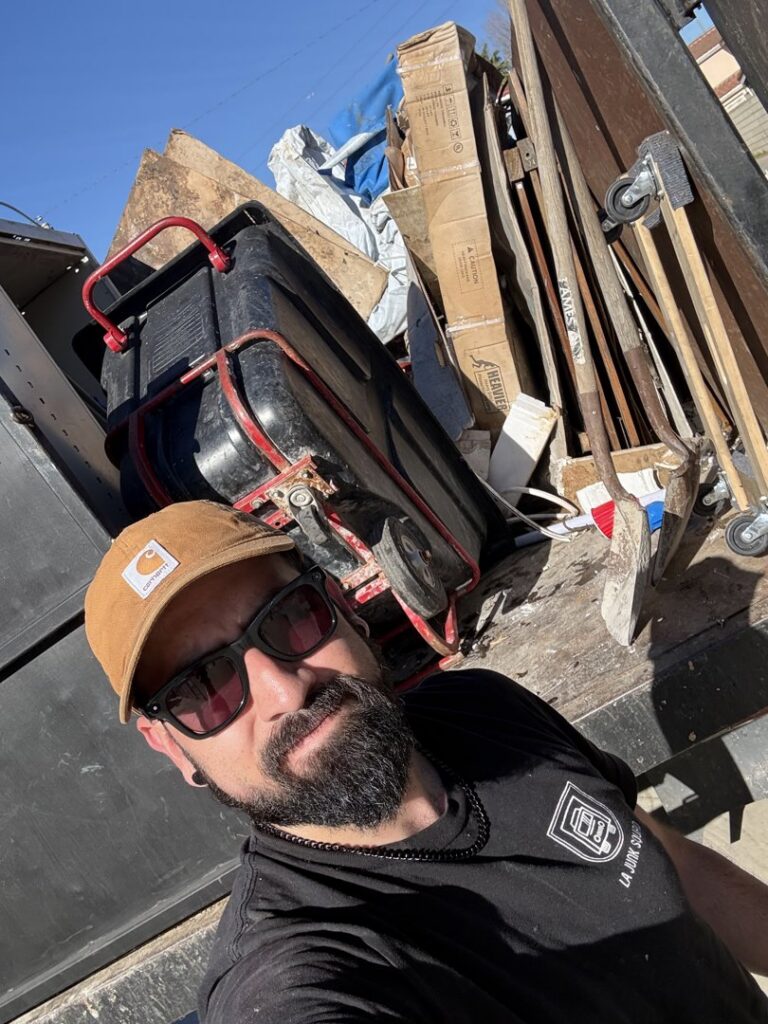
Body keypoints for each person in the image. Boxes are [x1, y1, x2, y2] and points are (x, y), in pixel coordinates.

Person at [85, 499, 768, 1023]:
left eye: (289, 618)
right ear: (174, 747)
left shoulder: (485, 708)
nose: (287, 687)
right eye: (206, 690)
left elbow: (663, 861)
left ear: (344, 609)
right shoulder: (297, 966)